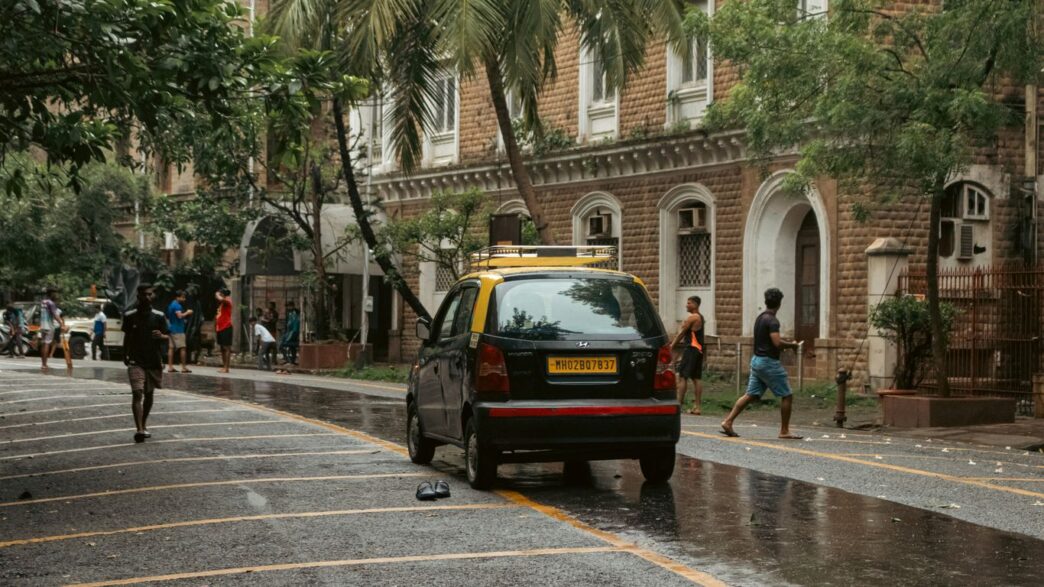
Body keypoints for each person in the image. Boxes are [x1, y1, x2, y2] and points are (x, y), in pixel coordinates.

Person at [721, 287, 803, 440]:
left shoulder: (760, 318)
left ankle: (728, 421)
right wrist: (791, 345)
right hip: (768, 363)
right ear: (779, 304)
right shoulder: (772, 320)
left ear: (766, 302)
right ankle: (784, 431)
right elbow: (777, 343)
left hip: (757, 361)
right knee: (787, 395)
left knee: (750, 394)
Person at [122, 284, 170, 443]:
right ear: (138, 297)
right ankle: (139, 429)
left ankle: (143, 423)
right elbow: (127, 337)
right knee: (137, 393)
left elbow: (168, 337)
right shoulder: (130, 316)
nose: (147, 297)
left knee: (149, 394)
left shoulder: (159, 316)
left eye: (150, 295)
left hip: (153, 361)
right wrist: (125, 354)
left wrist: (161, 336)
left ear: (152, 296)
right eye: (144, 295)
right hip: (136, 360)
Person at [670, 296, 704, 415]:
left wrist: (671, 346)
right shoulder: (700, 317)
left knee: (682, 376)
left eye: (689, 303)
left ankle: (679, 404)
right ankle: (697, 407)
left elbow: (681, 334)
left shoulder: (692, 318)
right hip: (699, 350)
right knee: (696, 378)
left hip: (691, 349)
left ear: (695, 305)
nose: (686, 305)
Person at [166, 290, 194, 373]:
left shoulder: (171, 304)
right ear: (177, 297)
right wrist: (188, 312)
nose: (184, 299)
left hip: (171, 328)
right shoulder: (177, 306)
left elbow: (171, 317)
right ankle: (184, 367)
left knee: (171, 348)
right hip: (178, 330)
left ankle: (170, 367)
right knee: (183, 348)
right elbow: (179, 316)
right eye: (182, 297)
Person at [38, 288, 64, 371]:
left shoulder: (43, 302)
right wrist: (61, 324)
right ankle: (44, 364)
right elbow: (55, 315)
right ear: (51, 294)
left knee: (43, 344)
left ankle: (43, 364)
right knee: (47, 344)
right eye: (55, 294)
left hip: (42, 326)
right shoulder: (51, 303)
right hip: (49, 326)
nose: (56, 295)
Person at [215, 288, 233, 373]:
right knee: (222, 348)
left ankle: (227, 367)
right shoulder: (222, 304)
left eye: (221, 294)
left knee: (227, 347)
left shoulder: (227, 300)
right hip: (220, 327)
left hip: (226, 327)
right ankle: (224, 366)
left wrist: (217, 294)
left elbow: (221, 298)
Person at [280, 301, 301, 366]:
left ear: (292, 306)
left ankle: (288, 360)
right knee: (292, 347)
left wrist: (290, 335)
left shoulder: (294, 314)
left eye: (289, 306)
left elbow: (294, 325)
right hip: (291, 332)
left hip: (293, 332)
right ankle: (292, 361)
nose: (288, 307)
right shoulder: (290, 313)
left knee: (282, 346)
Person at [262, 301, 279, 366]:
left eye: (271, 305)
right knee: (266, 346)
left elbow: (273, 321)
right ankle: (267, 360)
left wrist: (268, 319)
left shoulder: (275, 313)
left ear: (274, 307)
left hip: (272, 331)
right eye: (269, 305)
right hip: (266, 331)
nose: (270, 307)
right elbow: (263, 320)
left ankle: (274, 360)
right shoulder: (265, 313)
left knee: (273, 346)